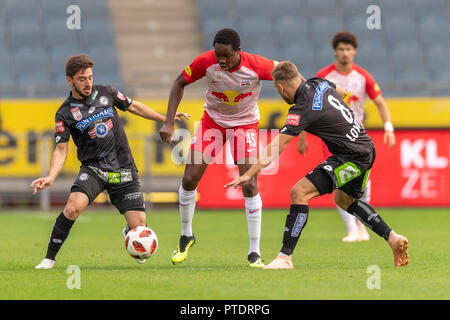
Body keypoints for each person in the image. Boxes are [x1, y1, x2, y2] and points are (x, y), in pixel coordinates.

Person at [225, 61, 409, 270]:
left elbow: (277, 146)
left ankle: (285, 258)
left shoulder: (301, 109)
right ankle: (393, 238)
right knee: (345, 200)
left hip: (351, 156)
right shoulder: (319, 82)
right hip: (365, 146)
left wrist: (249, 173)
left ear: (281, 88)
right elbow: (343, 92)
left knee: (299, 192)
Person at [32, 54, 189, 269]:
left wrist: (166, 118)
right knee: (72, 208)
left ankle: (128, 232)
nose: (88, 83)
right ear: (69, 80)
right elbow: (61, 149)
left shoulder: (106, 92)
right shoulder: (65, 112)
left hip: (123, 168)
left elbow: (134, 107)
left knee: (139, 230)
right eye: (82, 79)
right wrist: (51, 176)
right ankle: (49, 258)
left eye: (90, 77)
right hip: (94, 169)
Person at [159, 28, 278, 267]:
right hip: (212, 123)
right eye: (218, 54)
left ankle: (254, 251)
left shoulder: (258, 65)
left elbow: (288, 72)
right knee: (190, 178)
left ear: (238, 51)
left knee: (250, 183)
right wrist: (169, 121)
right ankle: (186, 234)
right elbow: (178, 82)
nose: (221, 60)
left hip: (245, 125)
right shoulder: (206, 61)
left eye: (227, 56)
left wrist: (313, 91)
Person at [297, 31, 396, 242]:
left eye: (348, 49)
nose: (344, 53)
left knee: (363, 183)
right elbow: (307, 107)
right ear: (335, 51)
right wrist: (303, 137)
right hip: (333, 138)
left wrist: (388, 127)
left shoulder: (362, 76)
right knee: (338, 181)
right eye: (341, 49)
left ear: (354, 51)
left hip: (357, 135)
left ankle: (362, 225)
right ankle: (352, 228)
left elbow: (380, 102)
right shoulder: (325, 76)